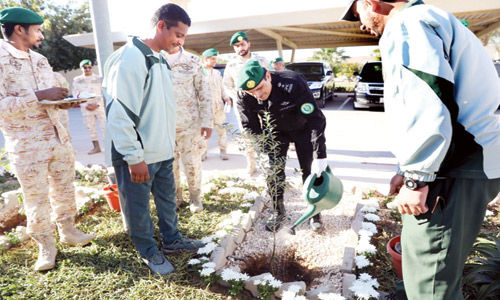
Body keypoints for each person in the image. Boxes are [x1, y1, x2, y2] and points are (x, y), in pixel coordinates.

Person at [341, 1, 500, 299]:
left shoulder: (408, 24)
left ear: (369, 2)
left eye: (356, 14)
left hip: (453, 167)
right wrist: (407, 169)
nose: (360, 23)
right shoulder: (433, 18)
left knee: (431, 288)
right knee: (427, 271)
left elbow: (426, 99)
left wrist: (417, 176)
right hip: (466, 162)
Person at [102, 3, 204, 276]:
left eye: (184, 37)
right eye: (178, 35)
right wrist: (134, 157)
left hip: (162, 151)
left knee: (167, 201)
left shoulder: (159, 58)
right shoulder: (130, 57)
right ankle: (148, 250)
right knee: (138, 209)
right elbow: (119, 112)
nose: (180, 42)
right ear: (161, 26)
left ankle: (172, 241)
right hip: (139, 155)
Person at [0, 7, 95, 271]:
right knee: (36, 198)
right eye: (37, 30)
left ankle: (68, 231)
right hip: (27, 144)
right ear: (20, 30)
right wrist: (40, 96)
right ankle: (46, 245)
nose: (41, 35)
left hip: (58, 138)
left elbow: (50, 97)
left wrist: (65, 103)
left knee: (64, 188)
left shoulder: (40, 60)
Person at [236, 59, 328, 232]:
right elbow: (250, 126)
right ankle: (278, 212)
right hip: (275, 132)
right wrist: (262, 149)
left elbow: (316, 119)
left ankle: (315, 213)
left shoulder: (292, 82)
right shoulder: (243, 95)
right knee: (274, 173)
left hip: (303, 128)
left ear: (268, 76)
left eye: (260, 88)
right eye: (251, 92)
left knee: (311, 171)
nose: (257, 94)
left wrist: (320, 155)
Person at [163, 46, 212, 213]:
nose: (177, 39)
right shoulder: (154, 59)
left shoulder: (193, 61)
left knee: (192, 163)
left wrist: (207, 122)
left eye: (181, 36)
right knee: (169, 165)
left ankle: (195, 197)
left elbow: (204, 92)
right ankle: (176, 197)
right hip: (163, 126)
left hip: (190, 125)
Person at [223, 31, 270, 176]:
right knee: (247, 134)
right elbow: (227, 84)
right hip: (244, 106)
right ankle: (251, 164)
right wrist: (237, 98)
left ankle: (268, 162)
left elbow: (270, 77)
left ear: (248, 44)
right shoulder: (231, 64)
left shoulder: (262, 60)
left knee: (267, 131)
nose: (240, 48)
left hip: (262, 102)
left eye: (242, 44)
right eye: (236, 46)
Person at [201, 48, 231, 161]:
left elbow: (221, 88)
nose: (215, 61)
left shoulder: (217, 73)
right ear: (205, 59)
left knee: (221, 130)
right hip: (205, 109)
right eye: (213, 59)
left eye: (216, 59)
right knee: (204, 132)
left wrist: (226, 98)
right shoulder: (199, 72)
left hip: (218, 107)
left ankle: (223, 151)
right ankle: (203, 152)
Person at [72, 59, 106, 155]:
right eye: (85, 67)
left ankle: (109, 146)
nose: (87, 69)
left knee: (104, 126)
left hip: (98, 106)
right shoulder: (77, 80)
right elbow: (76, 94)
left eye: (89, 67)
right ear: (81, 68)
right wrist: (85, 105)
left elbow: (103, 93)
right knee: (90, 127)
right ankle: (96, 147)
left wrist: (97, 104)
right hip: (86, 107)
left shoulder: (98, 79)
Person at [53, 72, 71, 137]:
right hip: (44, 109)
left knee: (64, 129)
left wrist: (61, 95)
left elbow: (65, 85)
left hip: (59, 107)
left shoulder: (56, 75)